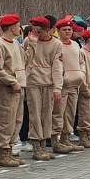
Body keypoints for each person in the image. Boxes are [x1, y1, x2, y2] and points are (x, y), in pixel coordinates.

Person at [0, 14, 26, 167]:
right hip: (7, 89)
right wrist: (11, 81)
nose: (19, 28)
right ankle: (2, 154)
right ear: (10, 27)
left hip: (19, 87)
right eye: (17, 25)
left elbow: (23, 62)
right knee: (5, 122)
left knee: (16, 120)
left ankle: (9, 150)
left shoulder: (16, 43)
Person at [23, 16, 63, 161]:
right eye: (35, 30)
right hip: (33, 82)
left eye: (40, 31)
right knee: (35, 115)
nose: (37, 34)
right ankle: (36, 146)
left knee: (47, 114)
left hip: (49, 83)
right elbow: (24, 60)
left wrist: (57, 87)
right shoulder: (29, 41)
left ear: (48, 30)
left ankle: (44, 144)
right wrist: (32, 44)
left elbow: (57, 67)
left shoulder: (56, 44)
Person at [52, 18, 85, 153]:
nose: (67, 32)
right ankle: (55, 140)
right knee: (58, 113)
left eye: (69, 29)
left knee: (70, 113)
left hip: (75, 84)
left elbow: (81, 61)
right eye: (64, 30)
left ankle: (66, 138)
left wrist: (82, 74)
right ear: (58, 32)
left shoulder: (76, 45)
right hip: (62, 85)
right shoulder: (56, 45)